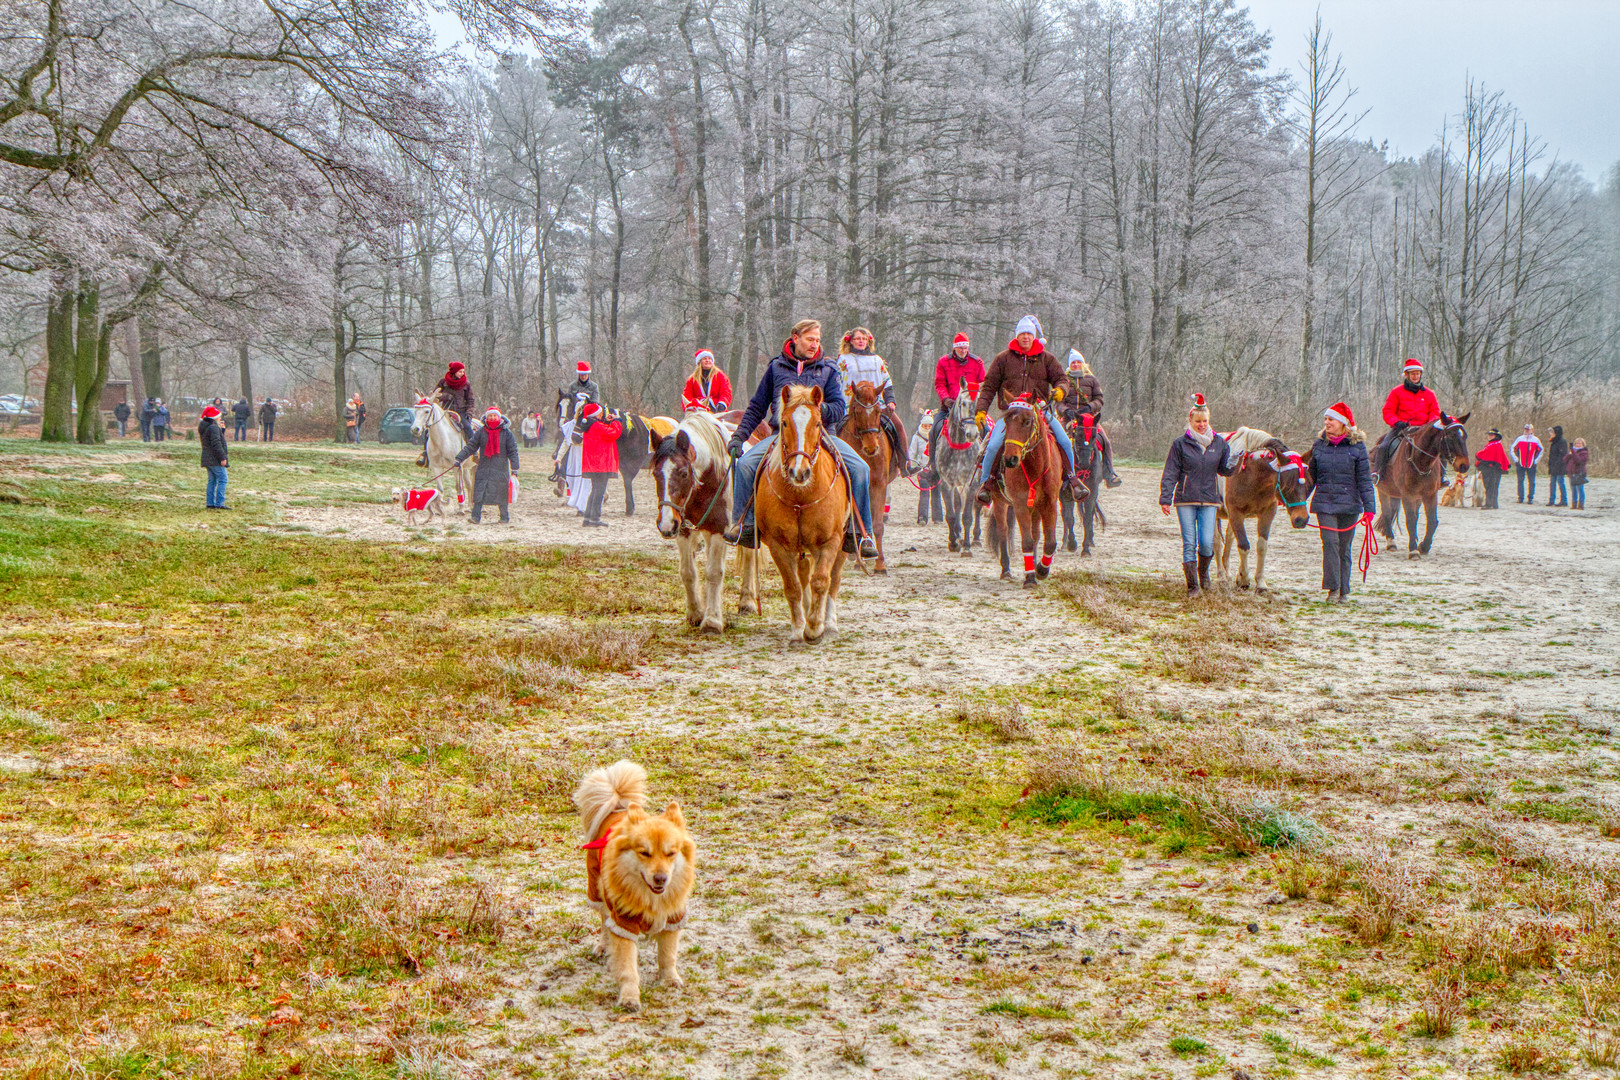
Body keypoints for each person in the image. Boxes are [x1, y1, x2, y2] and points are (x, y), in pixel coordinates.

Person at [723, 318, 879, 558]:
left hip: (821, 434)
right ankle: (745, 525)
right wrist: (738, 437)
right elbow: (757, 407)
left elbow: (839, 407)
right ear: (795, 338)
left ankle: (861, 533)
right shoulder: (776, 368)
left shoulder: (828, 369)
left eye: (817, 340)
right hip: (782, 437)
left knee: (860, 469)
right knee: (744, 465)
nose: (814, 344)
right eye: (809, 339)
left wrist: (818, 411)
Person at [971, 315, 1085, 506]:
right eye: (1022, 334)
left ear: (1034, 336)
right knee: (992, 445)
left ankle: (1072, 480)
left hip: (1039, 410)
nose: (1025, 337)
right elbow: (989, 386)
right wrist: (981, 410)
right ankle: (987, 484)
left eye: (1029, 334)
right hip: (1012, 414)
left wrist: (1060, 391)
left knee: (1064, 440)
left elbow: (1061, 379)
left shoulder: (1047, 359)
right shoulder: (1002, 359)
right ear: (1017, 336)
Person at [1159, 393, 1236, 598]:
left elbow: (1224, 470)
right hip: (1186, 499)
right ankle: (1192, 586)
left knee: (1207, 542)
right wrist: (1165, 498)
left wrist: (1234, 463)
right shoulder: (1180, 444)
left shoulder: (1219, 443)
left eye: (1205, 421)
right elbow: (1170, 472)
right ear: (1190, 421)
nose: (1202, 425)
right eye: (1198, 421)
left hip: (1210, 500)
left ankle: (1204, 576)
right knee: (1190, 542)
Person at [1309, 402, 1377, 603]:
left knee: (1343, 547)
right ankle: (1333, 588)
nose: (1327, 422)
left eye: (1331, 419)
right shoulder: (1319, 445)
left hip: (1349, 505)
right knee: (1330, 543)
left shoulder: (1357, 448)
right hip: (1324, 503)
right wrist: (1295, 502)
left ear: (1343, 423)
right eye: (1326, 419)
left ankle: (1344, 590)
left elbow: (1364, 480)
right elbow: (1311, 477)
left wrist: (1369, 508)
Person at [837, 327, 915, 476]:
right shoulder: (843, 360)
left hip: (876, 406)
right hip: (850, 407)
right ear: (850, 341)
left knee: (898, 426)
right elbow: (837, 381)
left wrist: (890, 401)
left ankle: (905, 464)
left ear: (868, 341)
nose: (861, 341)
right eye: (858, 338)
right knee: (833, 429)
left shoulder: (877, 360)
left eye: (864, 339)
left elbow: (887, 382)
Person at [919, 332, 986, 484]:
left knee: (987, 429)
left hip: (971, 409)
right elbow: (939, 383)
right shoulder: (944, 362)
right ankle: (933, 467)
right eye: (960, 348)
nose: (963, 350)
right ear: (954, 348)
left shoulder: (977, 362)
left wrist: (979, 402)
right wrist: (945, 399)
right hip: (949, 408)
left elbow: (984, 384)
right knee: (935, 429)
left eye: (965, 348)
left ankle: (986, 468)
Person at [1063, 349, 1123, 487]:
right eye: (1073, 362)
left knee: (1105, 442)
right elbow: (1059, 403)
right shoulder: (1064, 381)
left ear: (1083, 364)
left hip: (1089, 420)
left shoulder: (1091, 380)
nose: (1076, 364)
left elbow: (1099, 399)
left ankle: (1109, 474)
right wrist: (1066, 411)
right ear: (1069, 365)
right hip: (1069, 420)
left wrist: (1090, 408)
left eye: (1079, 362)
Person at [1373, 359, 1441, 476]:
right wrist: (1397, 422)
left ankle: (1442, 476)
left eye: (1418, 373)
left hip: (1424, 430)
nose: (1415, 376)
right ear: (1407, 375)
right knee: (1383, 446)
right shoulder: (1396, 392)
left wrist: (1429, 425)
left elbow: (1435, 412)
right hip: (1402, 429)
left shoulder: (1429, 394)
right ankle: (1378, 474)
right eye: (1413, 373)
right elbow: (1388, 412)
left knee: (1440, 445)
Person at [453, 406, 520, 524]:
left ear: (499, 417)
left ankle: (504, 517)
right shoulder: (481, 432)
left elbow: (513, 450)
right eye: (490, 416)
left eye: (495, 416)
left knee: (502, 493)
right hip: (484, 467)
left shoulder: (506, 433)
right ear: (486, 417)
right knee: (479, 492)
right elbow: (471, 446)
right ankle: (475, 517)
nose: (492, 418)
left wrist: (515, 468)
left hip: (501, 468)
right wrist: (459, 458)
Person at [575, 402, 622, 527]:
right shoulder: (596, 426)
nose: (602, 414)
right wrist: (617, 421)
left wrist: (606, 422)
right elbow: (614, 433)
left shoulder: (590, 425)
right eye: (600, 412)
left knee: (595, 490)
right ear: (595, 415)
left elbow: (603, 432)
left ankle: (588, 518)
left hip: (593, 464)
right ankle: (595, 518)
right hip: (601, 464)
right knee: (599, 492)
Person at [911, 417, 942, 524]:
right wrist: (913, 467)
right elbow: (912, 453)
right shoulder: (916, 437)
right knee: (924, 492)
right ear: (921, 425)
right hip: (922, 469)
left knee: (936, 492)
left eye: (929, 426)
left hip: (935, 469)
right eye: (925, 426)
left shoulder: (937, 437)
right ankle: (922, 517)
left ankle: (938, 518)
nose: (927, 428)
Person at [198, 404, 230, 509]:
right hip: (215, 459)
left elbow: (212, 439)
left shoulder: (206, 427)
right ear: (215, 417)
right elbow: (216, 443)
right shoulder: (213, 428)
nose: (220, 418)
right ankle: (220, 503)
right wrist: (222, 457)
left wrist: (222, 431)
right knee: (223, 479)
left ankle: (210, 503)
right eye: (219, 416)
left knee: (212, 481)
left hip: (207, 458)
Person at [1473, 429, 1510, 509]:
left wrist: (1478, 454)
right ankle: (1494, 503)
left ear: (1496, 436)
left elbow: (1484, 454)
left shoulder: (1494, 445)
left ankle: (1489, 504)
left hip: (1491, 469)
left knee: (1490, 486)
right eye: (1489, 434)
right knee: (1494, 487)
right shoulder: (1496, 444)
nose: (1489, 436)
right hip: (1495, 469)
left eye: (1492, 435)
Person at [559, 361, 601, 430]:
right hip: (574, 415)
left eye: (585, 375)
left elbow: (595, 402)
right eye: (582, 375)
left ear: (588, 374)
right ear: (579, 374)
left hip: (589, 416)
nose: (583, 377)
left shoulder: (594, 386)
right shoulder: (572, 386)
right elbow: (569, 403)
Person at [1510, 424, 1543, 504]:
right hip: (1521, 463)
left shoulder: (1536, 440)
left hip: (1531, 464)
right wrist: (1516, 460)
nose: (1527, 431)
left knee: (1531, 481)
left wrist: (1535, 461)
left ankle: (1530, 498)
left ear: (1532, 430)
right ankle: (1520, 497)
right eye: (1526, 429)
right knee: (1520, 481)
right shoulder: (1520, 439)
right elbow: (1512, 449)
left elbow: (1541, 451)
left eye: (1529, 429)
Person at [1545, 425, 1569, 507]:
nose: (1551, 434)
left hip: (1560, 467)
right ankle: (1551, 500)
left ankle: (1564, 500)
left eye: (1552, 432)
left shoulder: (1562, 442)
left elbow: (1562, 455)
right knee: (1552, 483)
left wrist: (1557, 465)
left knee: (1560, 483)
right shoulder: (1554, 441)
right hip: (1553, 466)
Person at [1567, 438, 1588, 510]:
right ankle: (1574, 504)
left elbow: (1579, 460)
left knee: (1580, 489)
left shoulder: (1584, 452)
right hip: (1572, 473)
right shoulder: (1572, 452)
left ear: (1583, 444)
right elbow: (1565, 460)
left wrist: (1573, 452)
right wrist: (1569, 454)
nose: (1578, 445)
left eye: (1580, 443)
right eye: (1576, 443)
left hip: (1580, 473)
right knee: (1573, 490)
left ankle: (1581, 505)